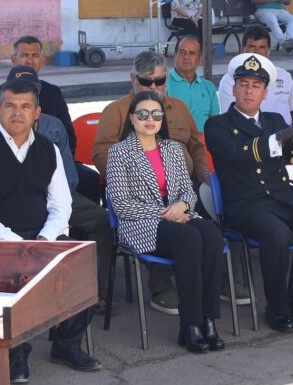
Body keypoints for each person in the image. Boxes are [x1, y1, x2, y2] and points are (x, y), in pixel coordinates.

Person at [0, 76, 101, 380]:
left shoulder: (49, 150)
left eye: (25, 106)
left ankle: (67, 344)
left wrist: (45, 238)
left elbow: (61, 205)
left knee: (82, 265)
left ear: (37, 112)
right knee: (13, 274)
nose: (17, 112)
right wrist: (17, 244)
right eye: (10, 105)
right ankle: (16, 354)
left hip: (41, 235)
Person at [206, 53, 293, 332]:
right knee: (278, 235)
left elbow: (291, 156)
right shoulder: (217, 125)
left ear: (265, 93)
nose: (249, 91)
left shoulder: (274, 120)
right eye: (243, 84)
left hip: (284, 199)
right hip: (246, 206)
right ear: (233, 89)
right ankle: (278, 308)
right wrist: (280, 138)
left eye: (256, 86)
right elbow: (237, 153)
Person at [92, 50, 216, 315]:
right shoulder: (117, 111)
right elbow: (102, 153)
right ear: (133, 79)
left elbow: (196, 145)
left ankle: (212, 288)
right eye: (145, 81)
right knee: (184, 234)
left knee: (211, 224)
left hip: (184, 188)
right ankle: (162, 286)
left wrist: (203, 174)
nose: (153, 87)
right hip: (138, 197)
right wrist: (126, 180)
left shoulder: (179, 108)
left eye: (158, 81)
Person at [106, 91, 226, 353]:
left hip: (177, 216)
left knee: (211, 234)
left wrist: (183, 206)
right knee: (189, 238)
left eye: (156, 114)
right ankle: (190, 324)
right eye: (142, 114)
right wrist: (166, 213)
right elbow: (121, 205)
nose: (150, 119)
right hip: (139, 224)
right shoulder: (119, 152)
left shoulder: (172, 149)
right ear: (131, 118)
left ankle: (208, 321)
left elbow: (188, 191)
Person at [6, 66, 114, 310]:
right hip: (15, 203)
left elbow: (69, 176)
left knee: (102, 219)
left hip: (55, 196)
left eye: (30, 91)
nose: (23, 97)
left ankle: (96, 289)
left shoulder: (53, 125)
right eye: (16, 91)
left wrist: (53, 198)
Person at [217, 24, 293, 125]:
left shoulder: (284, 76)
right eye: (252, 47)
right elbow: (232, 118)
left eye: (262, 47)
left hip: (285, 133)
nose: (257, 52)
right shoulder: (229, 80)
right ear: (242, 49)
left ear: (269, 51)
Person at [10, 35, 77, 153]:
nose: (30, 61)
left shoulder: (53, 93)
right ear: (13, 59)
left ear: (42, 61)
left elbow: (68, 137)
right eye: (24, 55)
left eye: (35, 56)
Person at [167, 36, 220, 130]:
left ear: (200, 59)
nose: (186, 57)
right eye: (182, 52)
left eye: (192, 53)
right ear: (175, 55)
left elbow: (216, 123)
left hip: (204, 138)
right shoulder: (162, 84)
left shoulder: (208, 87)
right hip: (174, 138)